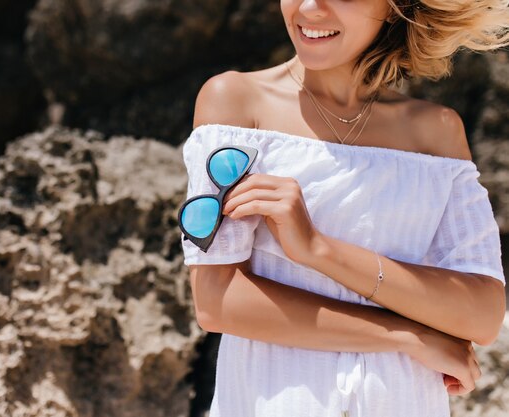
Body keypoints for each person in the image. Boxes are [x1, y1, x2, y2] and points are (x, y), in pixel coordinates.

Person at [180, 1, 509, 416]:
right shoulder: (236, 102)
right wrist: (405, 335)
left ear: (394, 8)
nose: (310, 7)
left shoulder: (436, 132)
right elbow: (218, 302)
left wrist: (317, 249)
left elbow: (481, 315)